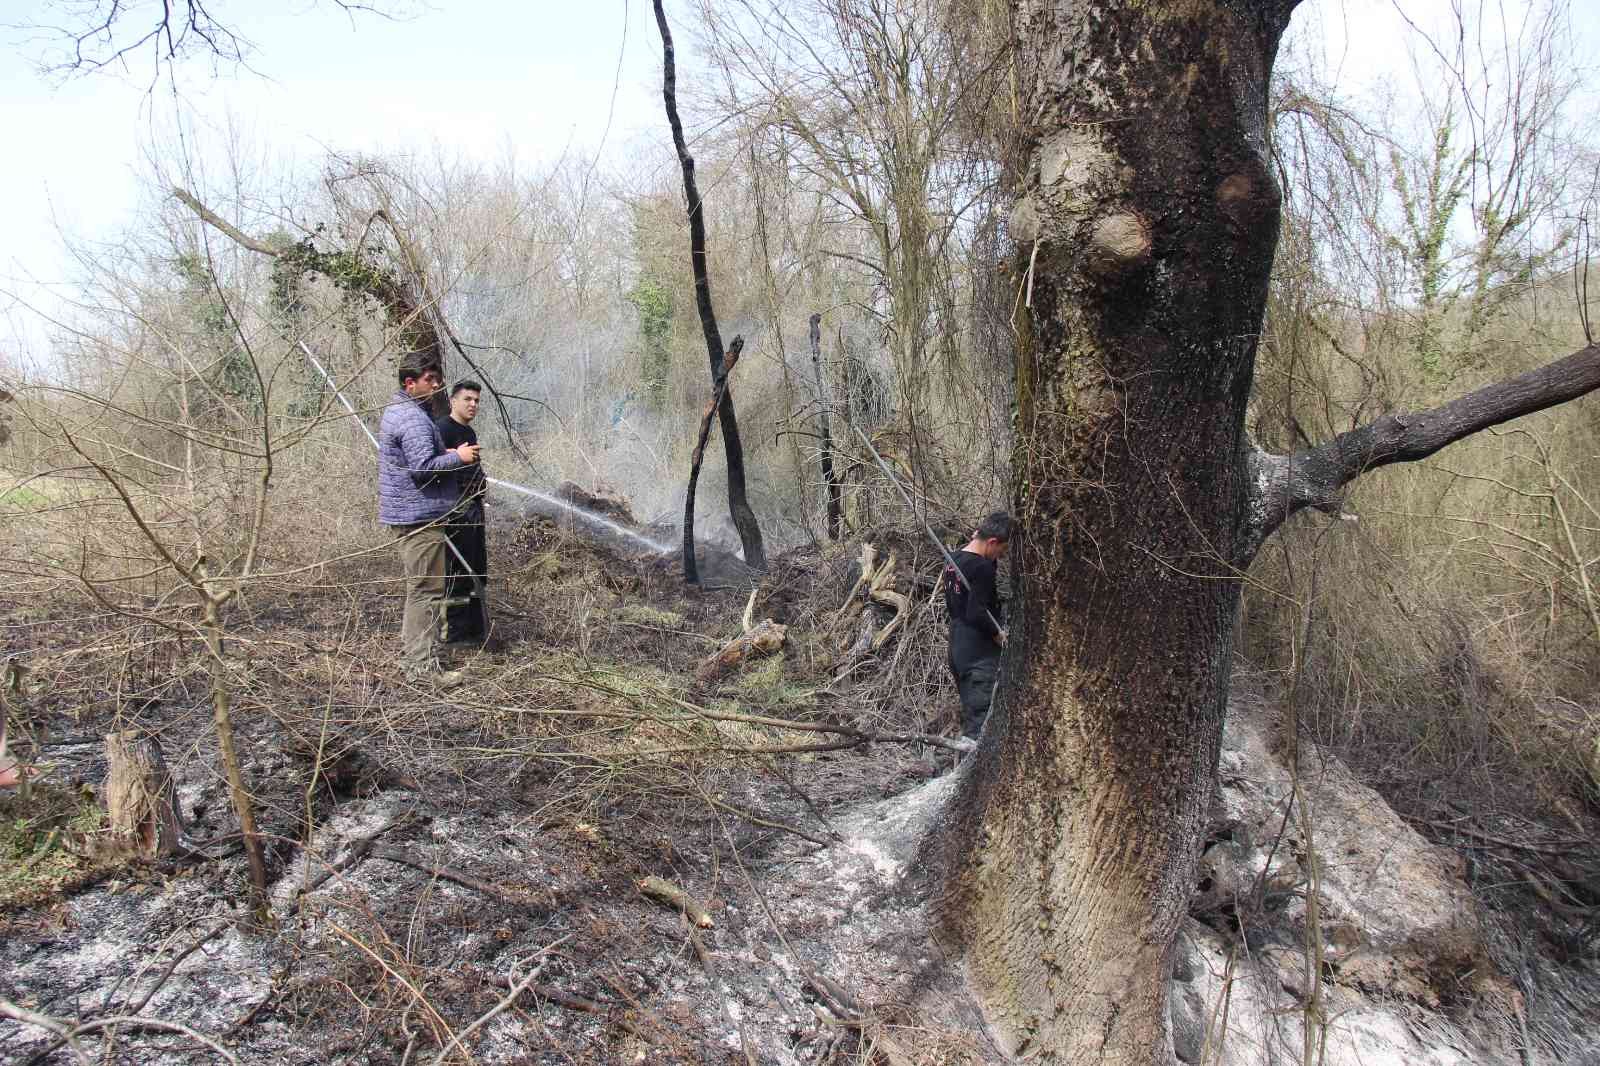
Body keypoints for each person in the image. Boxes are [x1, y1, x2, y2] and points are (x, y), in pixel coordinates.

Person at [378, 354, 480, 685]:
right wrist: (459, 458)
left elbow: (419, 460)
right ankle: (422, 669)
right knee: (425, 591)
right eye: (429, 380)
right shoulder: (412, 419)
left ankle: (422, 658)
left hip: (412, 515)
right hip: (418, 518)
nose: (435, 385)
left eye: (437, 379)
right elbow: (422, 469)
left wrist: (446, 455)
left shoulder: (404, 413)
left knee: (424, 589)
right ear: (411, 383)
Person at [944, 511, 1012, 740]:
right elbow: (976, 611)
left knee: (972, 712)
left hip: (957, 646)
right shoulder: (981, 567)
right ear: (992, 541)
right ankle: (973, 771)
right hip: (978, 653)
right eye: (1001, 551)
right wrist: (996, 633)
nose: (1000, 557)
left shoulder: (954, 559)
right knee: (981, 719)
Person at [434, 380, 490, 645]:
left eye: (477, 401)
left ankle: (474, 629)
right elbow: (432, 464)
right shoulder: (442, 429)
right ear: (453, 400)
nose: (473, 405)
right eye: (467, 399)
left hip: (473, 511)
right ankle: (453, 634)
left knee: (476, 571)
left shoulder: (470, 432)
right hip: (454, 512)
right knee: (457, 572)